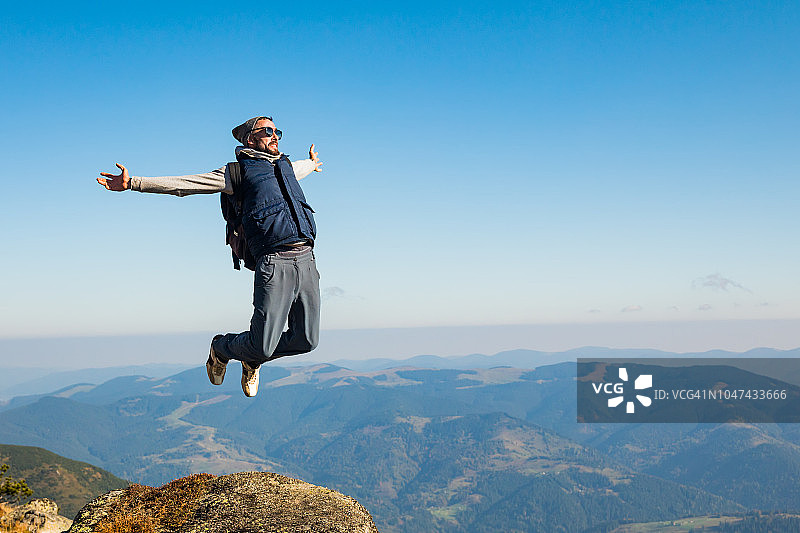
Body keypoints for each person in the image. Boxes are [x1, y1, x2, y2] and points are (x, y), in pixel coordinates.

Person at [98, 116, 323, 397]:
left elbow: (302, 167)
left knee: (307, 341)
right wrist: (134, 182)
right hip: (274, 262)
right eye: (267, 131)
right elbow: (186, 184)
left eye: (277, 131)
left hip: (307, 259)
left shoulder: (286, 167)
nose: (275, 135)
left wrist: (312, 163)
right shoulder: (237, 173)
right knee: (263, 344)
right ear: (250, 139)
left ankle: (251, 358)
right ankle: (221, 348)